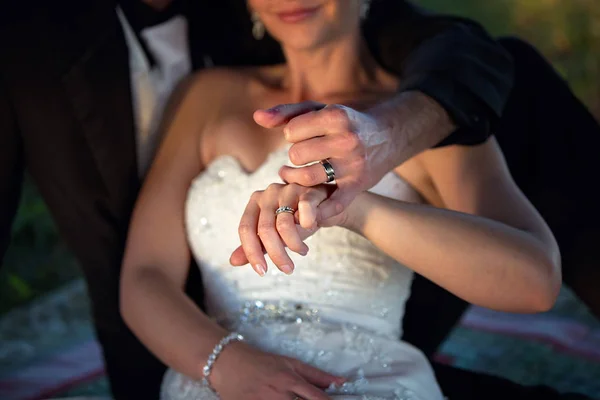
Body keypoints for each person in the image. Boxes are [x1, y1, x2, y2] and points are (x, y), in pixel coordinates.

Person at [0, 1, 515, 398]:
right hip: (213, 376)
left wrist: (358, 209)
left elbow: (533, 281)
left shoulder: (416, 115)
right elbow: (144, 276)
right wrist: (225, 364)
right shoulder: (207, 96)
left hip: (366, 380)